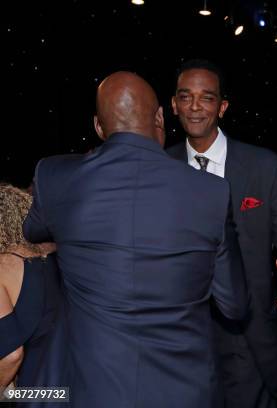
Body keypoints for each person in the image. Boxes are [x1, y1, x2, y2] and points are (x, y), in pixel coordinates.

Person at [23, 71, 247, 408]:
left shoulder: (56, 177)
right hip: (186, 394)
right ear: (160, 117)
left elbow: (31, 232)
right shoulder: (211, 192)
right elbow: (234, 305)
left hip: (93, 392)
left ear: (99, 127)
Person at [166, 59, 277, 408]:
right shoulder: (159, 168)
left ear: (222, 106)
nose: (194, 107)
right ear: (173, 104)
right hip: (178, 343)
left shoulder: (265, 167)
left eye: (206, 98)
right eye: (186, 97)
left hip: (249, 343)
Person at [0, 184, 59, 389]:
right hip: (72, 384)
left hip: (35, 392)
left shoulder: (3, 267)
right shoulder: (53, 256)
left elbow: (11, 356)